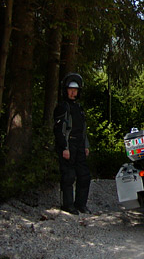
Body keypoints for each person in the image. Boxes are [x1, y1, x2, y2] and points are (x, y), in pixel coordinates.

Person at [53, 73, 91, 215]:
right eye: (70, 89)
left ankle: (81, 204)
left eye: (75, 90)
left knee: (84, 175)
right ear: (65, 90)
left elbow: (84, 129)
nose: (73, 92)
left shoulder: (79, 108)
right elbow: (59, 130)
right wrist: (64, 147)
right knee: (68, 176)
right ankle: (67, 205)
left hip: (79, 145)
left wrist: (86, 145)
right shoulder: (62, 108)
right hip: (68, 145)